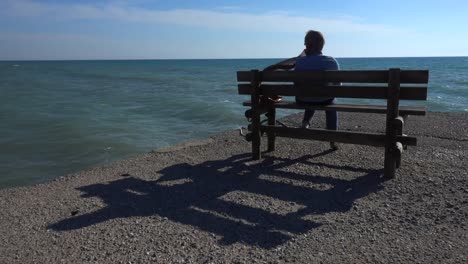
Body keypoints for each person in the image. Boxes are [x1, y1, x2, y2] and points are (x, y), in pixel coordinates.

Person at [295, 30, 340, 150]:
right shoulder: (331, 61)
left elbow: (296, 83)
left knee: (310, 96)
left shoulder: (299, 62)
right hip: (324, 100)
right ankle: (332, 138)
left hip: (302, 99)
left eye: (305, 44)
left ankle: (305, 122)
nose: (304, 46)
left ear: (309, 45)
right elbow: (338, 86)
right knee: (331, 100)